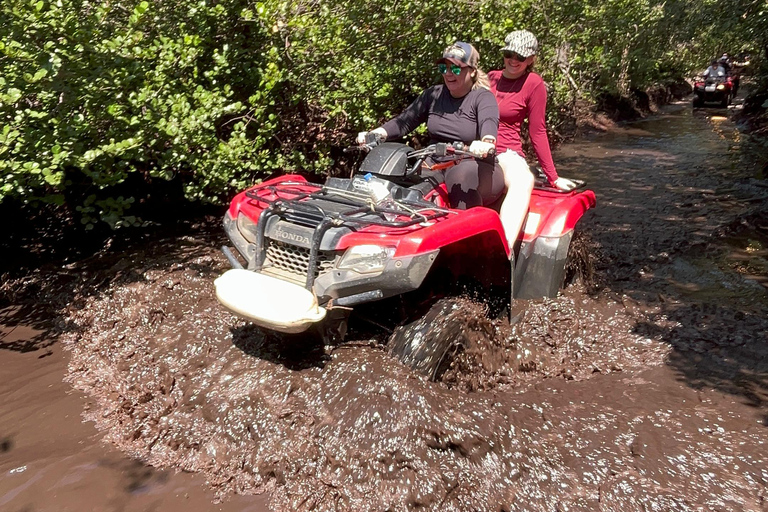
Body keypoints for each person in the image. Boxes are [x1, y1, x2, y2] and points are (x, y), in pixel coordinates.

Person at [357, 42, 504, 210]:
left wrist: (486, 142)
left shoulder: (482, 97)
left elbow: (489, 122)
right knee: (397, 175)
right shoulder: (434, 94)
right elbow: (405, 121)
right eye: (444, 68)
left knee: (459, 177)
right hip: (435, 162)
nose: (448, 74)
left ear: (472, 72)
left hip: (477, 165)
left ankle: (471, 234)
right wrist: (376, 133)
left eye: (455, 69)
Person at [487, 30, 576, 251]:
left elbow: (537, 131)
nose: (513, 61)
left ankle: (503, 250)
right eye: (509, 54)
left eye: (520, 57)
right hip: (477, 148)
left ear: (532, 59)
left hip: (506, 153)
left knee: (523, 180)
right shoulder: (490, 78)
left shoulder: (533, 83)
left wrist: (553, 177)